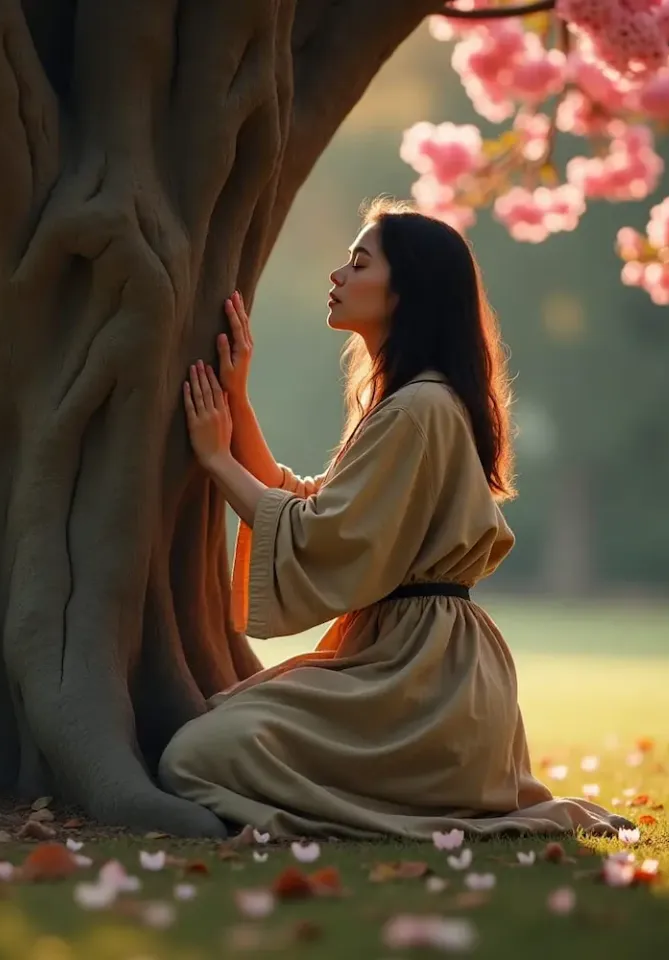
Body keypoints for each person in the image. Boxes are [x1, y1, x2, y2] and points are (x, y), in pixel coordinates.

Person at [159, 198, 626, 840]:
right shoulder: (413, 403)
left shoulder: (420, 408)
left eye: (358, 262)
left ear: (406, 291)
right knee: (211, 738)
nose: (337, 275)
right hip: (417, 670)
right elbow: (307, 503)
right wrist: (237, 398)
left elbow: (317, 534)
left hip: (421, 680)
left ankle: (400, 816)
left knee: (193, 756)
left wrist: (215, 459)